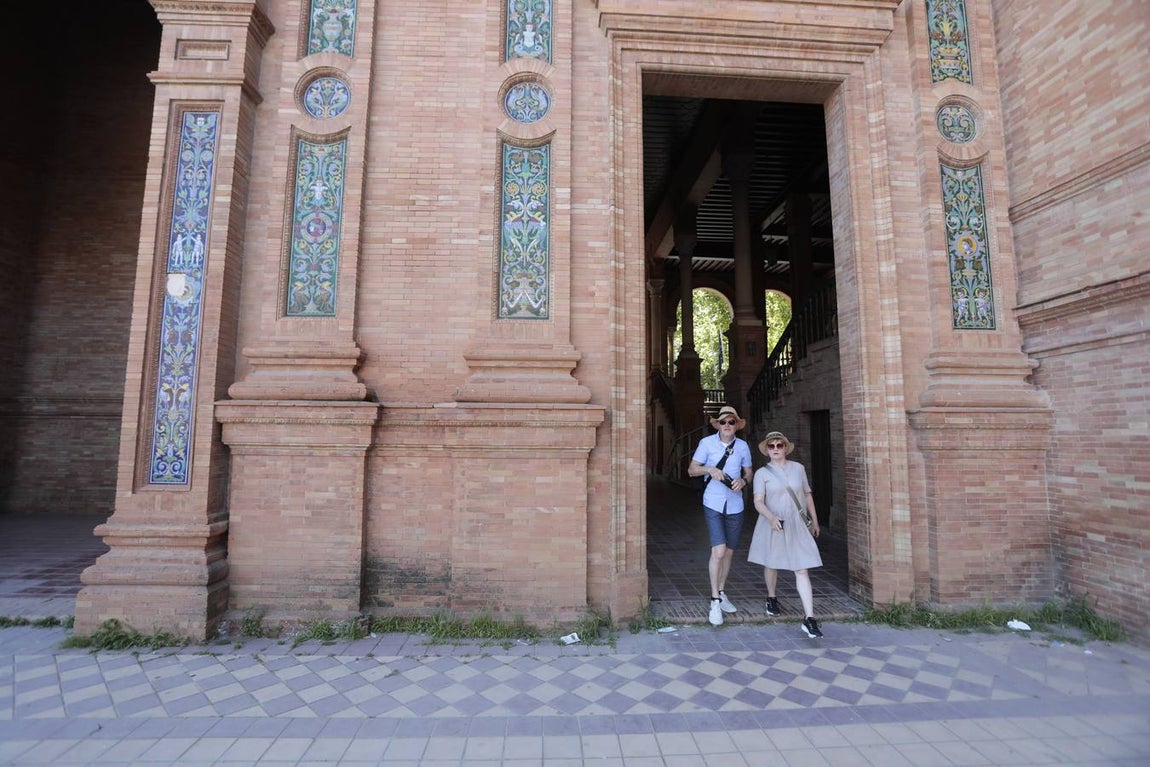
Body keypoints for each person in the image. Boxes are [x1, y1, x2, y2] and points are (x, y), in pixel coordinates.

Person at [747, 430, 825, 638]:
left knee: (802, 569)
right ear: (767, 450)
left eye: (779, 445)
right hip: (774, 522)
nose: (775, 449)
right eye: (771, 446)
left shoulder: (798, 469)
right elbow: (758, 501)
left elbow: (807, 496)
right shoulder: (762, 474)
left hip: (797, 523)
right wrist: (771, 518)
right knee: (771, 563)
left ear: (785, 448)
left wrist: (814, 521)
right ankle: (771, 597)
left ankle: (810, 618)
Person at [687, 405, 754, 626]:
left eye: (731, 422)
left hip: (735, 504)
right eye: (723, 422)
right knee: (718, 550)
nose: (727, 426)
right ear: (717, 424)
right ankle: (715, 600)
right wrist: (710, 470)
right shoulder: (706, 444)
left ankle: (722, 591)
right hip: (713, 502)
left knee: (729, 553)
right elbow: (691, 469)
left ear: (736, 425)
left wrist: (743, 481)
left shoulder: (743, 446)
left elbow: (749, 472)